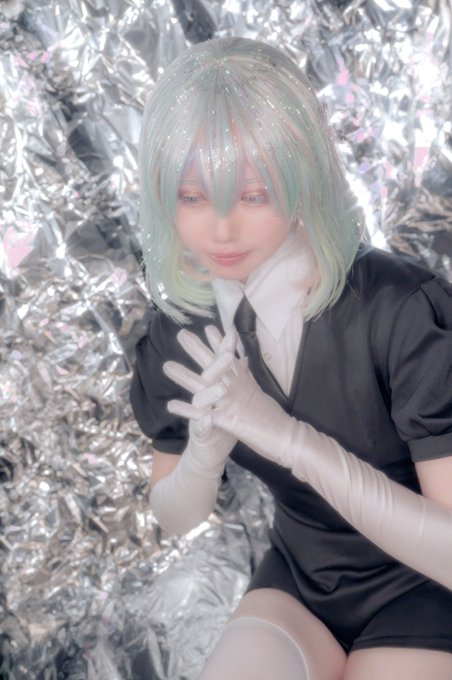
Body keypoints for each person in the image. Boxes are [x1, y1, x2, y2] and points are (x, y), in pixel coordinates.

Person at [130, 36, 452, 679]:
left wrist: (290, 440)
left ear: (304, 180)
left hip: (427, 583)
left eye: (252, 196)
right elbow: (174, 516)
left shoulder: (399, 308)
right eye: (192, 197)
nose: (221, 230)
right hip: (301, 581)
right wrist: (203, 453)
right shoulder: (182, 331)